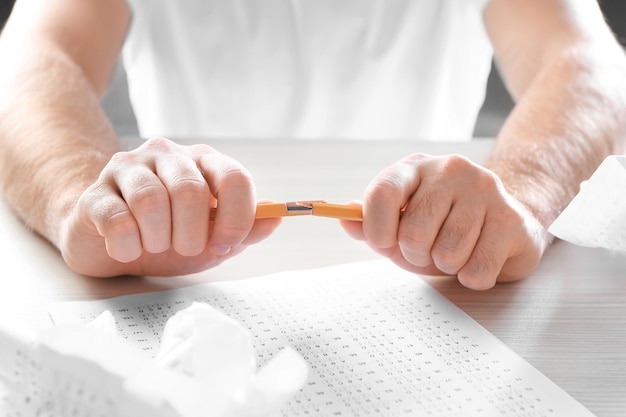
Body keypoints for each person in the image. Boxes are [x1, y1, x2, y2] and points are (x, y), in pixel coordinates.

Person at [0, 0, 624, 290]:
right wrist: (84, 201)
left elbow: (590, 67)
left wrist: (521, 197)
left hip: (429, 283)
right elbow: (26, 60)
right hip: (180, 280)